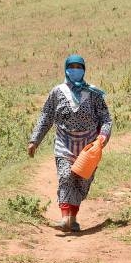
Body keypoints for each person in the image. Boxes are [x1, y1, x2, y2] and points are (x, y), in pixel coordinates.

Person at [27, 54, 113, 232]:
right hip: (64, 143)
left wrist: (103, 137)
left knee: (82, 181)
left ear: (84, 70)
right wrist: (34, 140)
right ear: (66, 68)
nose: (75, 70)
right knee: (66, 176)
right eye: (72, 66)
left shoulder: (94, 93)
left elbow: (106, 118)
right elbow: (46, 117)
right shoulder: (57, 92)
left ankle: (73, 219)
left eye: (79, 67)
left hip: (89, 146)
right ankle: (65, 217)